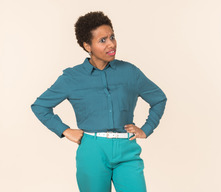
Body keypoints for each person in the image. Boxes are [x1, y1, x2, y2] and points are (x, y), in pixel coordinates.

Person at [31, 11, 167, 192]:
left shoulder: (129, 71)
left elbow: (159, 98)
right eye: (102, 40)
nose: (111, 44)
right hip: (92, 151)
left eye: (112, 37)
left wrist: (146, 129)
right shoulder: (72, 77)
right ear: (87, 46)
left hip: (127, 149)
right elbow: (40, 106)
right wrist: (64, 130)